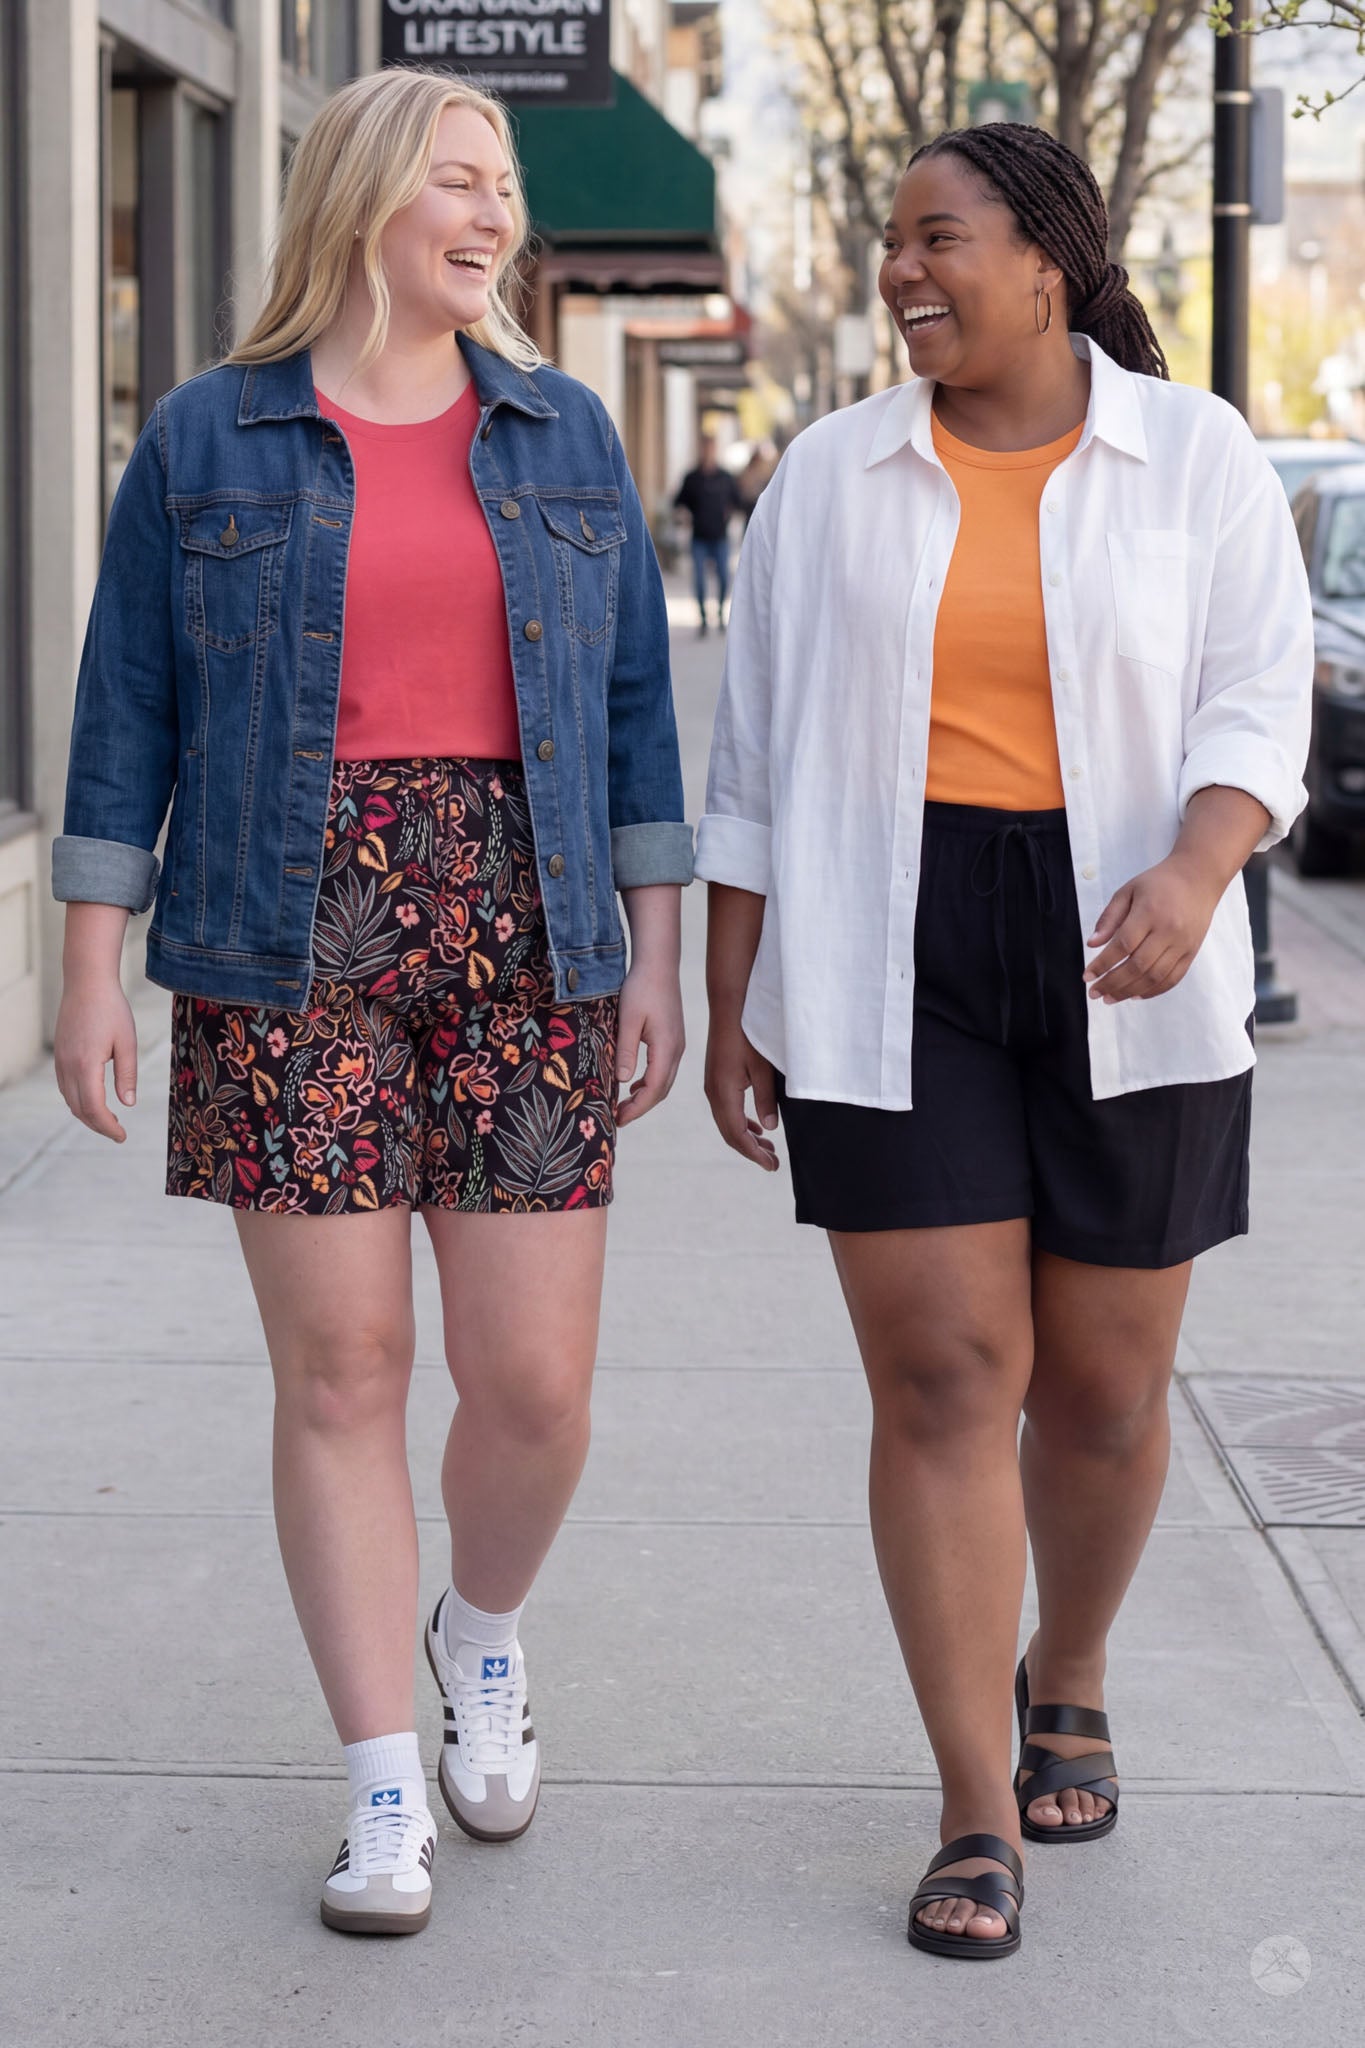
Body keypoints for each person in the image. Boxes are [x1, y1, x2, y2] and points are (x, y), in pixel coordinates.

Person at [52, 69, 692, 1938]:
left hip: (526, 918)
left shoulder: (564, 431)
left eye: (505, 187)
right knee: (341, 1373)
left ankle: (477, 1630)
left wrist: (652, 948)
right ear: (361, 200)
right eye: (460, 183)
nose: (494, 217)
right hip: (284, 923)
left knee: (534, 1385)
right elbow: (124, 717)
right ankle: (379, 1782)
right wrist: (92, 961)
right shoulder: (208, 439)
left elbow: (638, 708)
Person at [696, 122, 1312, 1960]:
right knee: (948, 1378)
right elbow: (756, 756)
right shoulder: (829, 475)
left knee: (1107, 1390)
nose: (903, 270)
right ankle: (976, 1803)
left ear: (1048, 258)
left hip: (1136, 943)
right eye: (890, 239)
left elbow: (1258, 700)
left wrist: (1204, 866)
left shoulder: (1193, 455)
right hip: (893, 946)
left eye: (936, 237)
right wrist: (743, 990)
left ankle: (1076, 1660)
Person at [674, 434, 742, 634]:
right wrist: (684, 516)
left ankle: (720, 613)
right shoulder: (692, 478)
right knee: (699, 580)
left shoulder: (725, 477)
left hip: (720, 536)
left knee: (723, 576)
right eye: (705, 448)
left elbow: (737, 502)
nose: (708, 452)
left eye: (711, 448)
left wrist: (728, 514)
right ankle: (703, 619)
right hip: (699, 537)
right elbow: (678, 503)